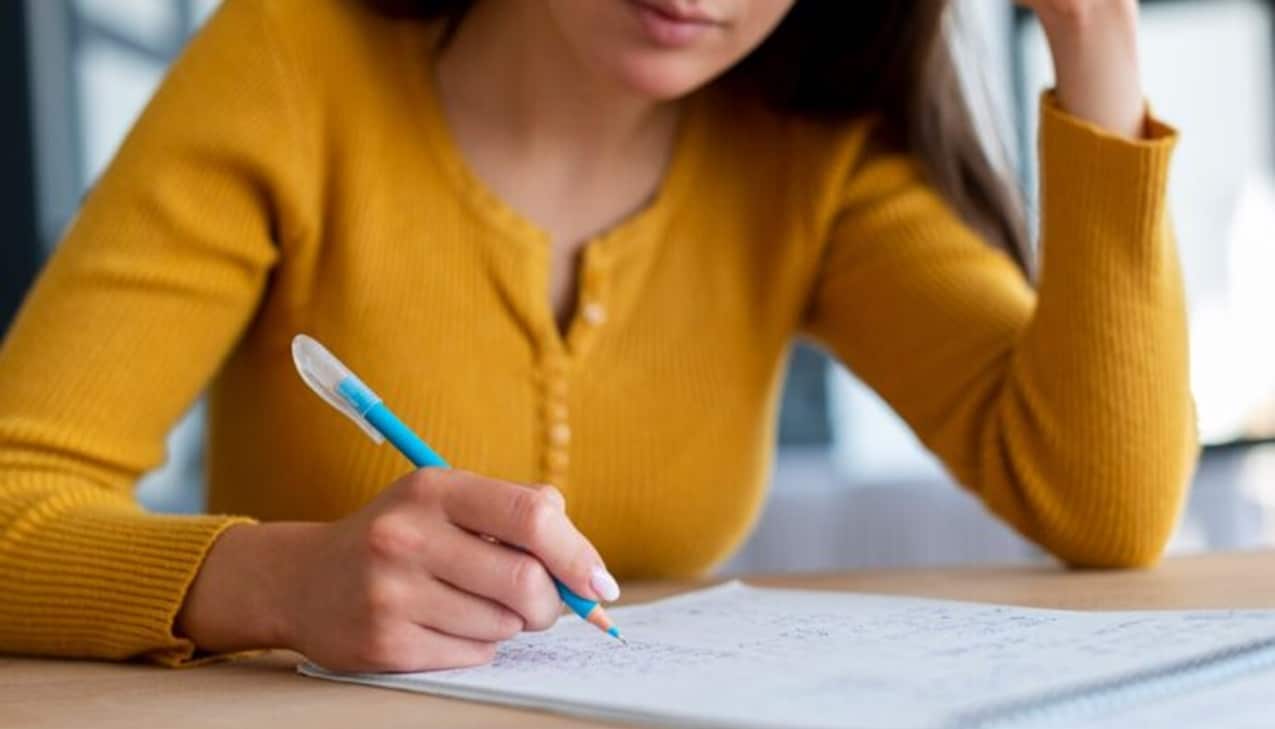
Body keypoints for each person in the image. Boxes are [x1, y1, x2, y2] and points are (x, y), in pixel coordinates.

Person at [0, 0, 1194, 672]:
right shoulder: (286, 68)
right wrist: (277, 581)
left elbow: (1105, 500)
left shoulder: (806, 156)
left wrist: (1093, 34)